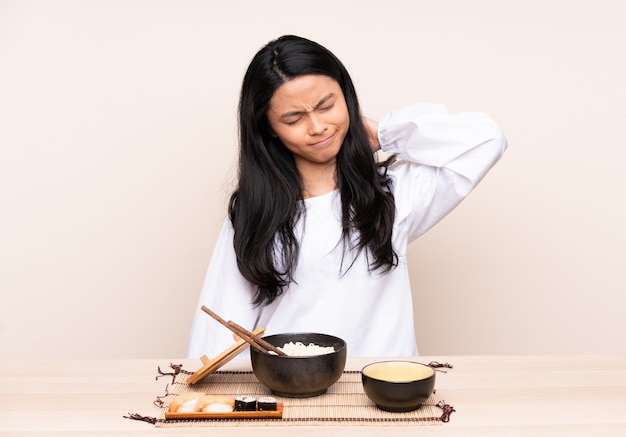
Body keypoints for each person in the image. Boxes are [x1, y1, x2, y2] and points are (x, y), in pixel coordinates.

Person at [187, 35, 507, 359]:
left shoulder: (393, 193)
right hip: (291, 392)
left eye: (327, 106)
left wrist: (384, 134)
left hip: (384, 392)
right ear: (268, 127)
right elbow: (217, 335)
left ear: (346, 96)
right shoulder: (255, 212)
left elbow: (488, 138)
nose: (318, 126)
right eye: (294, 119)